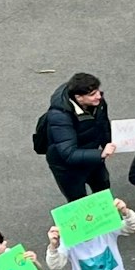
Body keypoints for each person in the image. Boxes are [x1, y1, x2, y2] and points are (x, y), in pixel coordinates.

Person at [41, 73, 115, 202]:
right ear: (78, 97)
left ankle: (106, 217)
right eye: (92, 95)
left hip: (91, 156)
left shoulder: (98, 102)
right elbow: (68, 154)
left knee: (103, 187)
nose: (99, 96)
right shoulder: (60, 116)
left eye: (98, 91)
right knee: (78, 200)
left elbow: (103, 124)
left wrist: (109, 142)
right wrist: (101, 154)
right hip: (67, 168)